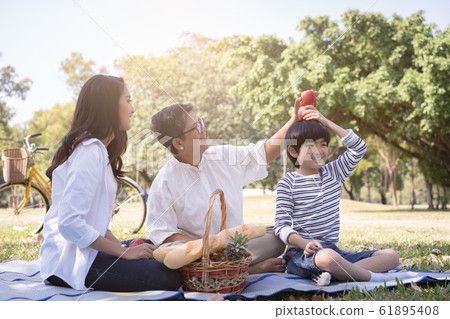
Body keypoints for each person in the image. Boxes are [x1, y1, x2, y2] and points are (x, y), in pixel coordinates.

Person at [39, 75, 181, 292]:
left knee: (152, 246)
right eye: (128, 100)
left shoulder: (98, 151)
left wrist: (126, 248)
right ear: (108, 107)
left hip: (88, 254)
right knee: (168, 276)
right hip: (72, 264)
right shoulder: (89, 151)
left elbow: (94, 224)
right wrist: (123, 252)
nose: (132, 109)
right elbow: (69, 223)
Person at [147, 101, 305, 274]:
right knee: (175, 254)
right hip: (199, 254)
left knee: (276, 237)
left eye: (201, 122)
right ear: (178, 143)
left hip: (237, 246)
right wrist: (207, 246)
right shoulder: (164, 182)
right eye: (196, 127)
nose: (203, 129)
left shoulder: (222, 156)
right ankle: (246, 269)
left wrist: (294, 120)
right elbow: (163, 235)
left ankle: (231, 267)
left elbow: (263, 153)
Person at [274, 104, 417, 286]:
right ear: (294, 151)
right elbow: (281, 226)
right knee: (327, 258)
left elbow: (359, 148)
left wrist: (324, 121)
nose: (319, 150)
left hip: (333, 251)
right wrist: (304, 244)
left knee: (391, 256)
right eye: (311, 145)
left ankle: (336, 274)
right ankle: (373, 278)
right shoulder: (288, 183)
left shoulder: (333, 173)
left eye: (323, 144)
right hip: (303, 254)